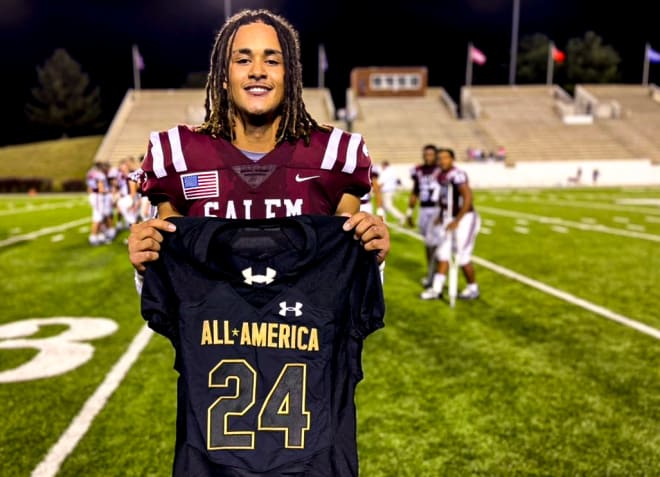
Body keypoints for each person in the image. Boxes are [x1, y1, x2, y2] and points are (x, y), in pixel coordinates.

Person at [127, 8, 389, 476]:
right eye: (242, 58)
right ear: (222, 74)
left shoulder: (335, 155)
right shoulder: (176, 155)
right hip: (215, 424)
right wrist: (145, 263)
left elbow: (345, 291)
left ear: (291, 73)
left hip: (308, 415)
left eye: (272, 59)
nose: (257, 71)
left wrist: (373, 256)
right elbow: (167, 293)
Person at [420, 148, 481, 301]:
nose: (442, 161)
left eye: (445, 158)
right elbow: (444, 199)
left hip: (465, 218)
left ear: (452, 159)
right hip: (448, 218)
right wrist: (441, 215)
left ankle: (473, 288)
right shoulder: (440, 175)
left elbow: (467, 198)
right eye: (439, 158)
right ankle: (436, 289)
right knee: (443, 253)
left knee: (462, 255)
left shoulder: (457, 174)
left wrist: (457, 220)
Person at [405, 144, 441, 287]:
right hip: (424, 210)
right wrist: (409, 212)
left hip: (438, 210)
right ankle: (433, 273)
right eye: (426, 154)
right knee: (428, 244)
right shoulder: (418, 170)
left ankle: (435, 276)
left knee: (435, 245)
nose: (428, 157)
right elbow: (415, 191)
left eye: (431, 154)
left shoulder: (440, 170)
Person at [375, 160, 405, 225]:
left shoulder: (386, 172)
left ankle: (401, 217)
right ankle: (383, 221)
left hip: (387, 191)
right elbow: (398, 180)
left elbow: (381, 183)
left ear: (384, 165)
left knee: (388, 206)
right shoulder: (392, 171)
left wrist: (375, 189)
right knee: (384, 207)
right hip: (391, 190)